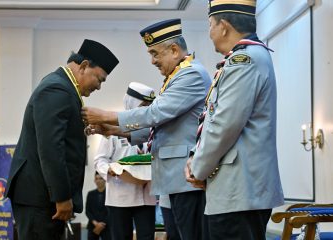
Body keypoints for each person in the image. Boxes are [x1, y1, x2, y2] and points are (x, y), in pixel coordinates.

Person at [83, 19, 211, 240]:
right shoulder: (174, 77)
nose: (152, 61)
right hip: (172, 181)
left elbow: (155, 114)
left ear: (173, 50)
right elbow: (160, 128)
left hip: (185, 179)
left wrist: (106, 115)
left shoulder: (191, 74)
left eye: (155, 54)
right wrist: (113, 131)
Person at [185, 1, 284, 239]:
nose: (209, 33)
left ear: (225, 26)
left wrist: (198, 168)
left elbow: (224, 125)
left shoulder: (245, 61)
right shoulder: (245, 58)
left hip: (239, 191)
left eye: (210, 25)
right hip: (235, 190)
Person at [4, 39, 119, 240]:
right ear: (84, 66)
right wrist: (62, 197)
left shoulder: (63, 87)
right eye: (99, 79)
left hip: (43, 197)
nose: (99, 87)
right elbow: (51, 148)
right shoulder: (57, 89)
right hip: (40, 198)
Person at [94, 82, 157, 240]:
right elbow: (99, 159)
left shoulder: (153, 127)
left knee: (147, 237)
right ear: (132, 103)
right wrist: (108, 169)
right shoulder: (113, 128)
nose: (146, 108)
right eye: (143, 104)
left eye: (149, 105)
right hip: (119, 197)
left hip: (146, 197)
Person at [85, 171, 110, 240]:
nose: (98, 181)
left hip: (106, 226)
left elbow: (111, 211)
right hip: (93, 226)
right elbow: (88, 211)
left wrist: (103, 223)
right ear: (94, 180)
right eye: (96, 179)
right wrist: (95, 223)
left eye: (100, 178)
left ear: (105, 180)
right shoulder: (90, 194)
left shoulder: (110, 194)